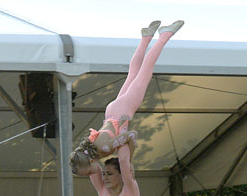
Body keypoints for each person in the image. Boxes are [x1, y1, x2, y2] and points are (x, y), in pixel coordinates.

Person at [70, 20, 184, 170]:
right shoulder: (94, 145)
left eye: (89, 172)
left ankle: (165, 35)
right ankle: (146, 38)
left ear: (90, 163)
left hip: (122, 110)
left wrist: (129, 159)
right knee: (134, 74)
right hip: (112, 112)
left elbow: (131, 135)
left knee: (145, 72)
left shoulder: (104, 148)